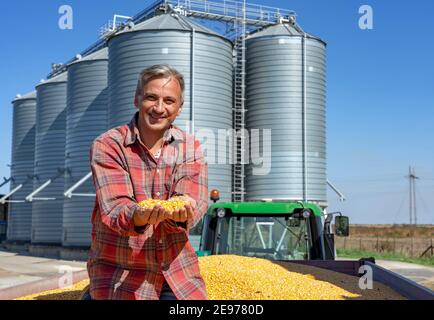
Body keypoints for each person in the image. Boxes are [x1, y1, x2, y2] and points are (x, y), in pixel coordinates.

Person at [86, 64, 208, 300]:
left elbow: (193, 198)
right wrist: (140, 215)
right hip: (120, 272)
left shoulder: (190, 147)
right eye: (151, 97)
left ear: (180, 108)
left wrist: (183, 208)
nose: (159, 108)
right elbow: (115, 208)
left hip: (175, 272)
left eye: (169, 101)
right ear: (137, 99)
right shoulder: (109, 145)